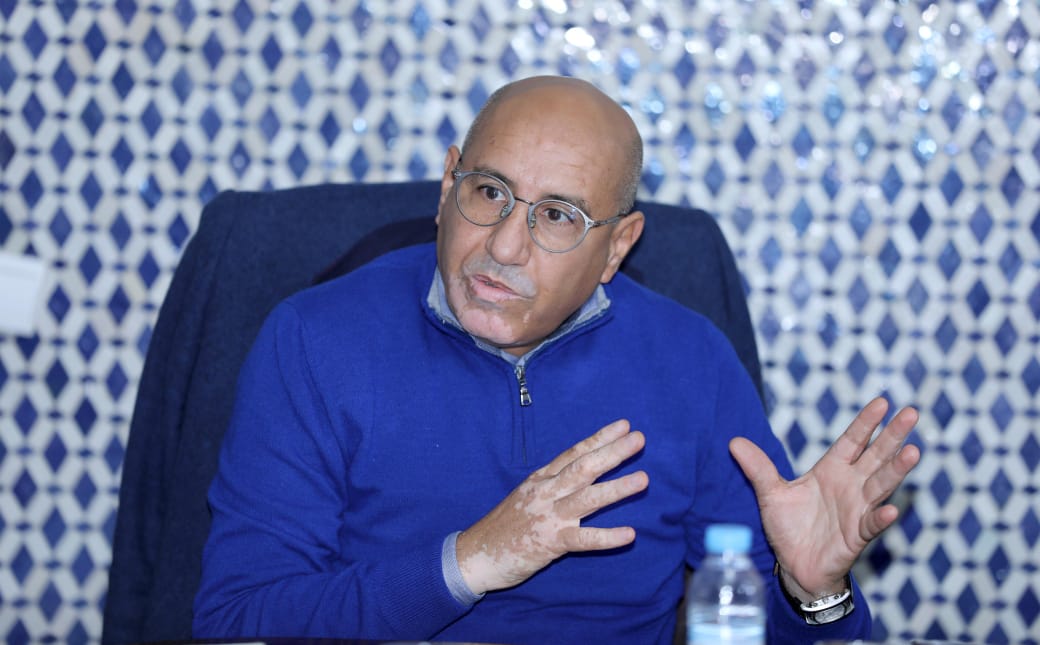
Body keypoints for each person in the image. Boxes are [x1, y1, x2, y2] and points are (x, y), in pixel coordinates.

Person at [192, 75, 921, 644]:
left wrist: (810, 592)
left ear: (617, 247)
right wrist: (471, 562)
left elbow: (760, 629)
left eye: (557, 216)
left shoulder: (691, 362)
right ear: (447, 186)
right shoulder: (314, 339)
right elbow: (237, 619)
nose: (504, 246)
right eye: (489, 192)